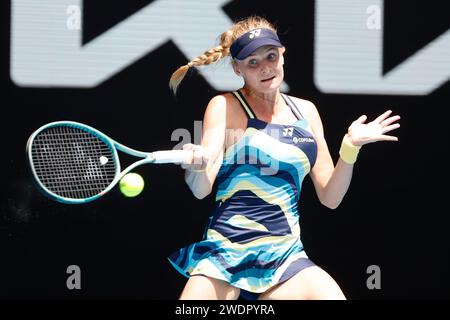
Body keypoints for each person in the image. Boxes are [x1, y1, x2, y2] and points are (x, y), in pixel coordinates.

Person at [167, 16, 400, 300]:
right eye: (252, 62)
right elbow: (201, 188)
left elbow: (330, 196)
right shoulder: (225, 106)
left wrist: (350, 148)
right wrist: (197, 166)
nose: (265, 67)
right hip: (224, 254)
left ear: (282, 55)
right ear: (237, 68)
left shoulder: (307, 112)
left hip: (285, 259)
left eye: (271, 56)